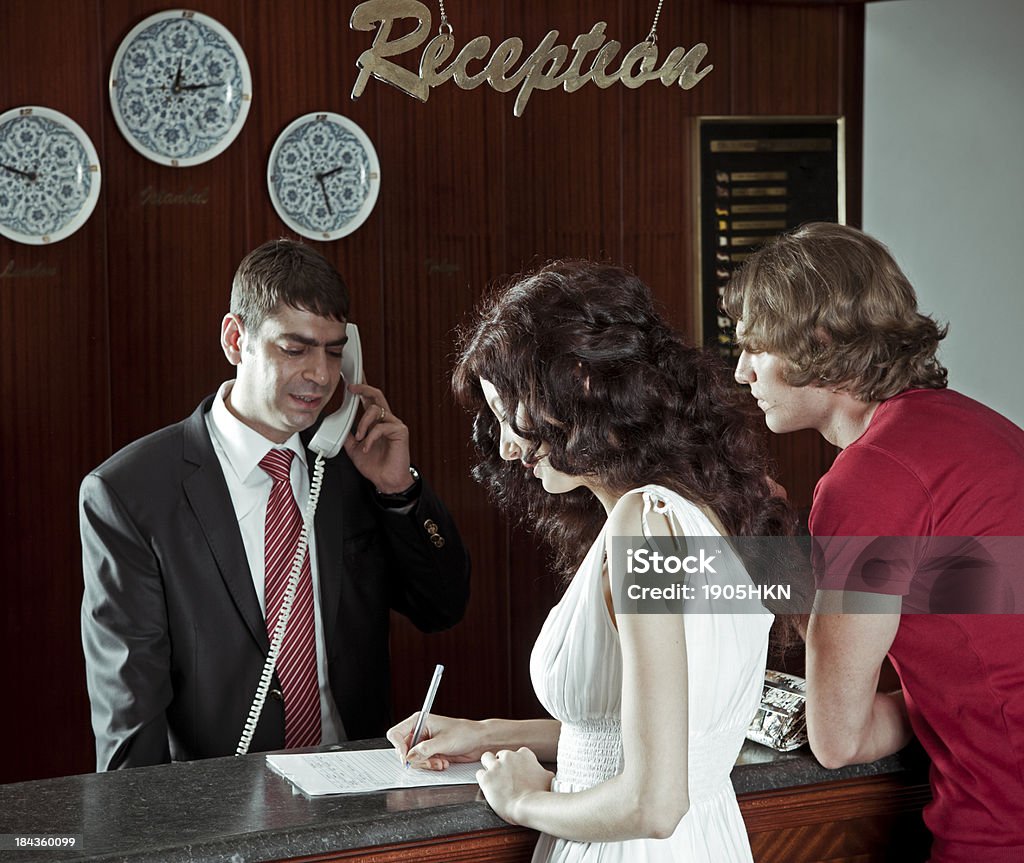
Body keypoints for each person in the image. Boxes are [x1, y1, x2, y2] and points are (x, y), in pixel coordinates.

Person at [388, 260, 793, 862]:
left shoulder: (644, 525)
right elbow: (658, 738)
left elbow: (652, 805)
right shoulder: (712, 512)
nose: (504, 445)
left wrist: (522, 801)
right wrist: (488, 735)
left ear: (578, 380)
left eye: (510, 413)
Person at [80, 239, 471, 771]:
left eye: (334, 351)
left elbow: (442, 606)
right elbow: (130, 712)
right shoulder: (130, 492)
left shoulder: (351, 465)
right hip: (217, 809)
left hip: (360, 790)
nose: (320, 374)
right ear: (236, 339)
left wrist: (399, 492)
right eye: (295, 349)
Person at [724, 222, 1024, 861]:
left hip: (1002, 823)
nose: (742, 370)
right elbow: (970, 672)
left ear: (821, 340)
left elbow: (838, 740)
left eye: (755, 346)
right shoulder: (983, 429)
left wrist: (769, 553)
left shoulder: (869, 479)